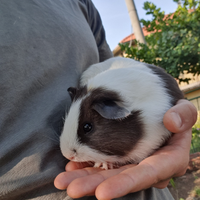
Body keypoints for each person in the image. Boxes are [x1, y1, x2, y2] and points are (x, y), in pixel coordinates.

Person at [0, 0, 197, 200]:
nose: (69, 152)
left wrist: (178, 131)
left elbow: (108, 68)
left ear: (118, 114)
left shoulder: (80, 3)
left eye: (87, 128)